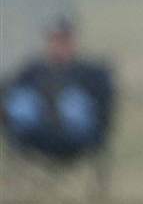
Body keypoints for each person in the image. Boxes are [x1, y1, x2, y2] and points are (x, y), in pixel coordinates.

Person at [0, 15, 115, 189]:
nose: (59, 45)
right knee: (23, 100)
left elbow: (102, 109)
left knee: (74, 100)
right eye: (55, 40)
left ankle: (57, 115)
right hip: (36, 132)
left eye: (64, 40)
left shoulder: (90, 73)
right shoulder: (33, 71)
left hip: (75, 135)